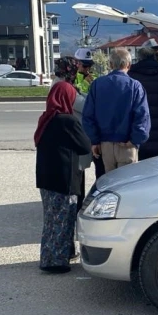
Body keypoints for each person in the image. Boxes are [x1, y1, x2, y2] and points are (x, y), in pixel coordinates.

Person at [34, 81, 92, 274]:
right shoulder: (68, 121)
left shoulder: (46, 118)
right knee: (63, 220)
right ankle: (56, 262)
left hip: (46, 178)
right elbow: (84, 146)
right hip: (64, 178)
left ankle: (49, 256)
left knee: (50, 220)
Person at [82, 48, 151, 173]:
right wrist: (135, 139)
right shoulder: (135, 86)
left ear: (110, 64)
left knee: (107, 185)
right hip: (127, 144)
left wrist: (95, 140)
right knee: (126, 186)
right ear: (129, 65)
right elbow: (142, 117)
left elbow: (88, 116)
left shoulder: (97, 85)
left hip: (104, 145)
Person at [51, 56, 93, 211]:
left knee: (77, 175)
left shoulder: (60, 83)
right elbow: (84, 106)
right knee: (76, 176)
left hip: (67, 135)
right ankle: (76, 208)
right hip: (73, 136)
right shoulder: (64, 87)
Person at [73, 47, 105, 181]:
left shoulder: (96, 79)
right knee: (79, 168)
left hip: (94, 128)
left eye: (89, 65)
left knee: (100, 166)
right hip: (79, 127)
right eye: (84, 65)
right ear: (77, 64)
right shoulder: (72, 79)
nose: (87, 69)